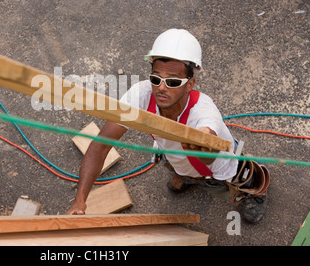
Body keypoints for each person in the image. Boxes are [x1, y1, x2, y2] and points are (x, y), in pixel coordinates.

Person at [66, 29, 270, 223]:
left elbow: (210, 153)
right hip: (175, 153)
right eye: (156, 79)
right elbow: (100, 146)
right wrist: (80, 199)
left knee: (242, 177)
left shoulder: (204, 112)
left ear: (190, 84)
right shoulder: (142, 95)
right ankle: (189, 176)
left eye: (172, 82)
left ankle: (254, 192)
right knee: (176, 162)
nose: (161, 88)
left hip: (218, 163)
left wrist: (201, 140)